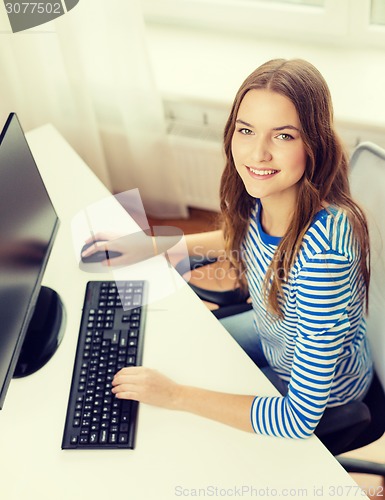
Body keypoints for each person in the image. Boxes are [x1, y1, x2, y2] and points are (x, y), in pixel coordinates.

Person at [94, 58, 374, 439]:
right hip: (274, 334)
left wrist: (176, 395)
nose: (257, 154)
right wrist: (153, 246)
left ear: (315, 144)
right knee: (176, 348)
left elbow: (297, 419)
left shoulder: (323, 260)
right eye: (247, 130)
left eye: (284, 136)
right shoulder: (275, 193)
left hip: (325, 396)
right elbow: (242, 237)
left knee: (185, 423)